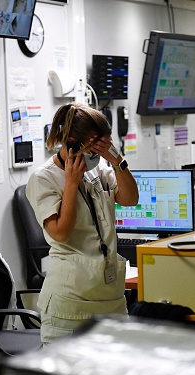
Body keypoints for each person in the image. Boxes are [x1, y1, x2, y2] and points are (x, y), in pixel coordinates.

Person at [26, 103, 139, 344]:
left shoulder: (99, 171)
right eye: (92, 150)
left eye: (101, 150)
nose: (96, 157)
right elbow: (61, 233)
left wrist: (118, 161)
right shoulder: (43, 178)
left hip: (111, 298)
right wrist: (70, 183)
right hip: (70, 303)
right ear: (72, 143)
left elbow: (130, 199)